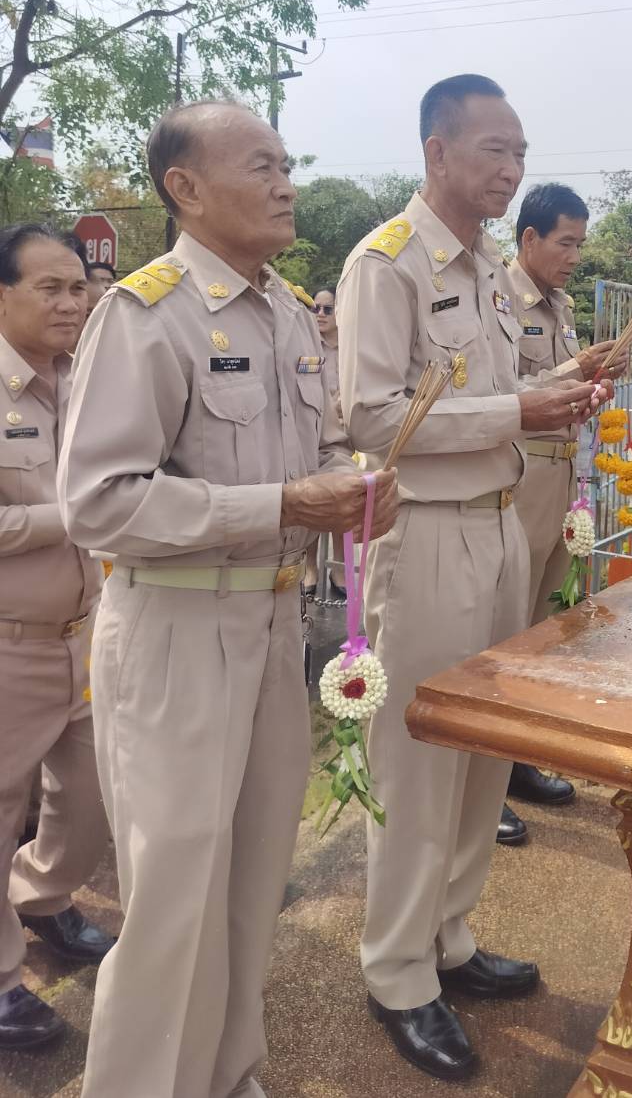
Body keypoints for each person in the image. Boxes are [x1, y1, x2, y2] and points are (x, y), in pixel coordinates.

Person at [58, 100, 399, 1098]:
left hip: (273, 622)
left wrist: (353, 485)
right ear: (187, 188)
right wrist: (286, 502)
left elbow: (317, 452)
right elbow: (97, 502)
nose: (288, 185)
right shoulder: (147, 313)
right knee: (174, 903)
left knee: (254, 881)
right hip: (175, 628)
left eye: (287, 163)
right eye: (262, 166)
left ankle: (227, 1072)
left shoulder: (287, 312)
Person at [338, 73, 609, 1081]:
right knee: (419, 764)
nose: (511, 168)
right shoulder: (388, 263)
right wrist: (515, 413)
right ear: (436, 151)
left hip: (499, 526)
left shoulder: (490, 266)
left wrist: (557, 388)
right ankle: (397, 969)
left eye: (520, 152)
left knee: (484, 753)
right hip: (429, 534)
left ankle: (448, 936)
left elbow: (496, 392)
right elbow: (371, 415)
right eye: (494, 149)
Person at [0, 223, 114, 1051]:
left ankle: (41, 896)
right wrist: (73, 516)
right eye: (50, 287)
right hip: (9, 643)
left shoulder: (89, 380)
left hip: (90, 634)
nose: (70, 303)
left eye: (78, 287)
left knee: (91, 794)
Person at [497, 182, 627, 847]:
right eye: (565, 242)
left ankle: (515, 759)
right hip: (518, 479)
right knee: (501, 629)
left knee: (540, 629)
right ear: (529, 238)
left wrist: (593, 384)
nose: (575, 256)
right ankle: (483, 777)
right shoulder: (496, 297)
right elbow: (499, 395)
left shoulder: (563, 306)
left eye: (580, 243)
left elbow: (563, 393)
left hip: (562, 476)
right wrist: (576, 367)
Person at [303, 286, 346, 600]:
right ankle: (310, 567)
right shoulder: (305, 343)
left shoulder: (350, 346)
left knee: (342, 499)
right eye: (315, 308)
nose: (320, 314)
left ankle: (340, 567)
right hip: (310, 432)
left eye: (327, 309)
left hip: (344, 434)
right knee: (311, 501)